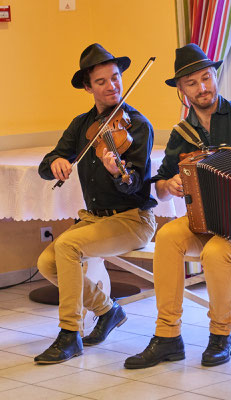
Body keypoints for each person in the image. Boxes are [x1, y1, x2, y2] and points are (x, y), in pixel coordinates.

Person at [124, 43, 231, 369]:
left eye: (206, 78)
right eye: (192, 83)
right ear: (181, 90)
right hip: (206, 221)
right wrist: (170, 185)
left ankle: (221, 335)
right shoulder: (182, 133)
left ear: (215, 76)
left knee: (217, 252)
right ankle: (167, 337)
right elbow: (160, 187)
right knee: (166, 237)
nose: (202, 87)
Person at [34, 43, 157, 364]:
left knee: (67, 248)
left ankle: (69, 333)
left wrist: (119, 173)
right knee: (47, 263)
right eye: (101, 81)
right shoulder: (81, 125)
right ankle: (107, 310)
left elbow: (136, 184)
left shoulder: (138, 125)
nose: (112, 85)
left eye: (115, 77)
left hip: (132, 219)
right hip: (95, 219)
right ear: (88, 87)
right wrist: (58, 161)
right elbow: (47, 163)